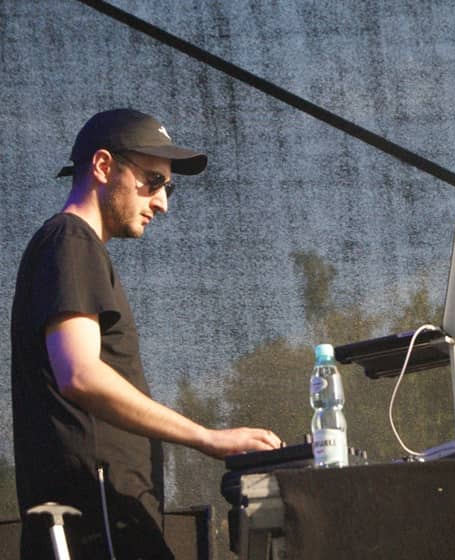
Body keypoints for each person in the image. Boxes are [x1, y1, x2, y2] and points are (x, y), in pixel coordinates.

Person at [11, 108, 283, 559]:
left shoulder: (73, 247)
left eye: (167, 187)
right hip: (96, 526)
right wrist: (207, 437)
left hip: (112, 522)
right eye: (153, 181)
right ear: (103, 166)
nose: (162, 202)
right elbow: (79, 373)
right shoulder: (70, 241)